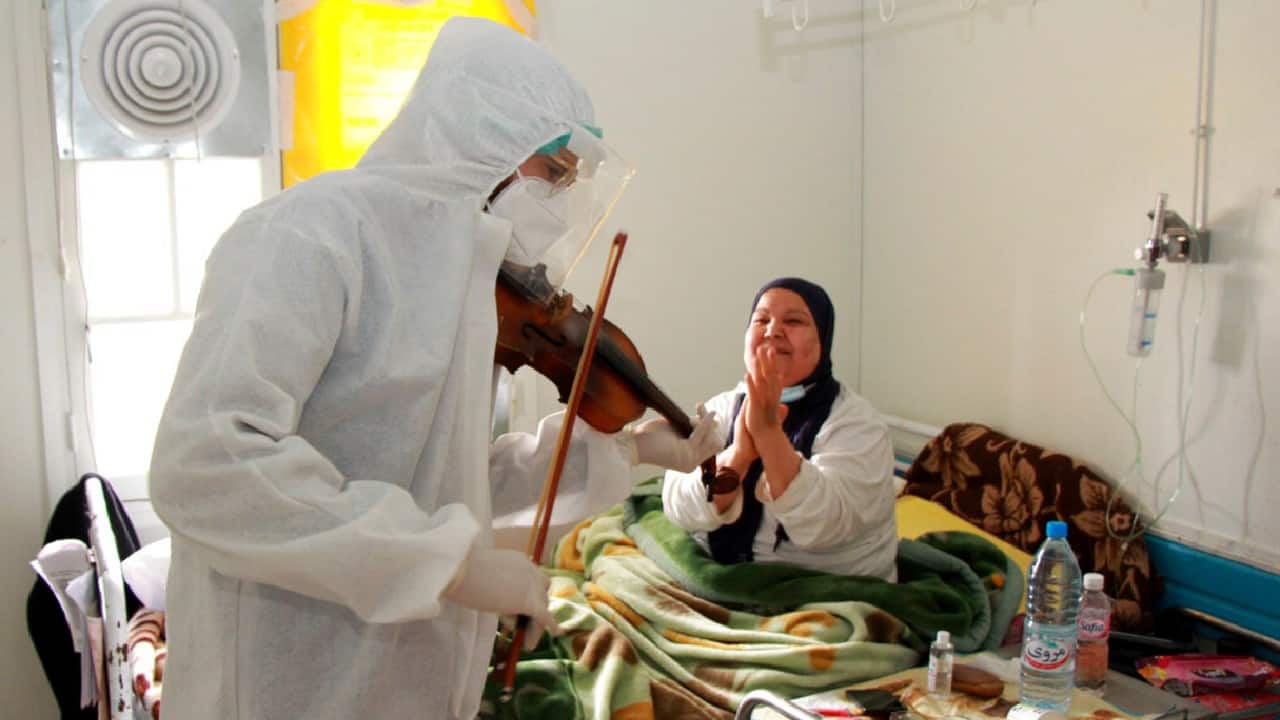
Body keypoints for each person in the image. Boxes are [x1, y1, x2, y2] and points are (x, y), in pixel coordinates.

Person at [148, 17, 717, 720]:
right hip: (287, 679)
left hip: (410, 678)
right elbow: (208, 465)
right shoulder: (307, 236)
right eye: (556, 172)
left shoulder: (462, 287)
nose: (563, 199)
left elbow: (449, 478)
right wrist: (449, 563)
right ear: (487, 139)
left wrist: (629, 449)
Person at [660, 277, 899, 580]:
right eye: (761, 320)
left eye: (794, 321)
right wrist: (740, 455)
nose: (772, 330)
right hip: (720, 576)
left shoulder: (859, 424)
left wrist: (769, 436)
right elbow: (679, 506)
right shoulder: (719, 409)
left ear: (823, 340)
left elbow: (826, 526)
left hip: (823, 587)